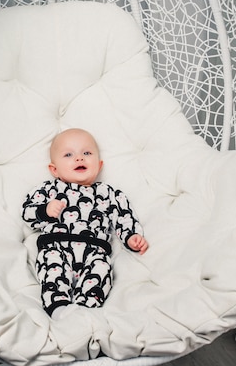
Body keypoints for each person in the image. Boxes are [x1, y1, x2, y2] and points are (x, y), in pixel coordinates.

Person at [22, 128, 148, 319]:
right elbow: (27, 212)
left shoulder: (108, 193)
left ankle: (85, 311)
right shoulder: (49, 190)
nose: (79, 158)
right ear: (54, 169)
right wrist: (45, 211)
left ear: (99, 165)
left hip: (95, 250)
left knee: (102, 270)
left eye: (87, 153)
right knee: (53, 269)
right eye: (68, 154)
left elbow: (123, 215)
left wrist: (131, 236)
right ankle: (59, 308)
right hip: (56, 246)